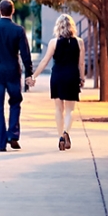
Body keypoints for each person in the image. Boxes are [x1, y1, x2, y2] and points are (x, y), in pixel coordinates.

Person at [0, 0, 34, 152]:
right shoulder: (18, 30)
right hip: (12, 72)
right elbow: (25, 54)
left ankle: (1, 143)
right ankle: (13, 135)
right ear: (13, 11)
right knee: (15, 102)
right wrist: (29, 73)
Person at [30, 14, 85, 151]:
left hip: (57, 76)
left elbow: (45, 61)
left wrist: (34, 76)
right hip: (72, 76)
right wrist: (82, 78)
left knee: (58, 109)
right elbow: (81, 63)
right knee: (70, 110)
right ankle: (66, 132)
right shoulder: (79, 42)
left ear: (58, 26)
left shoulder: (53, 42)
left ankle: (60, 136)